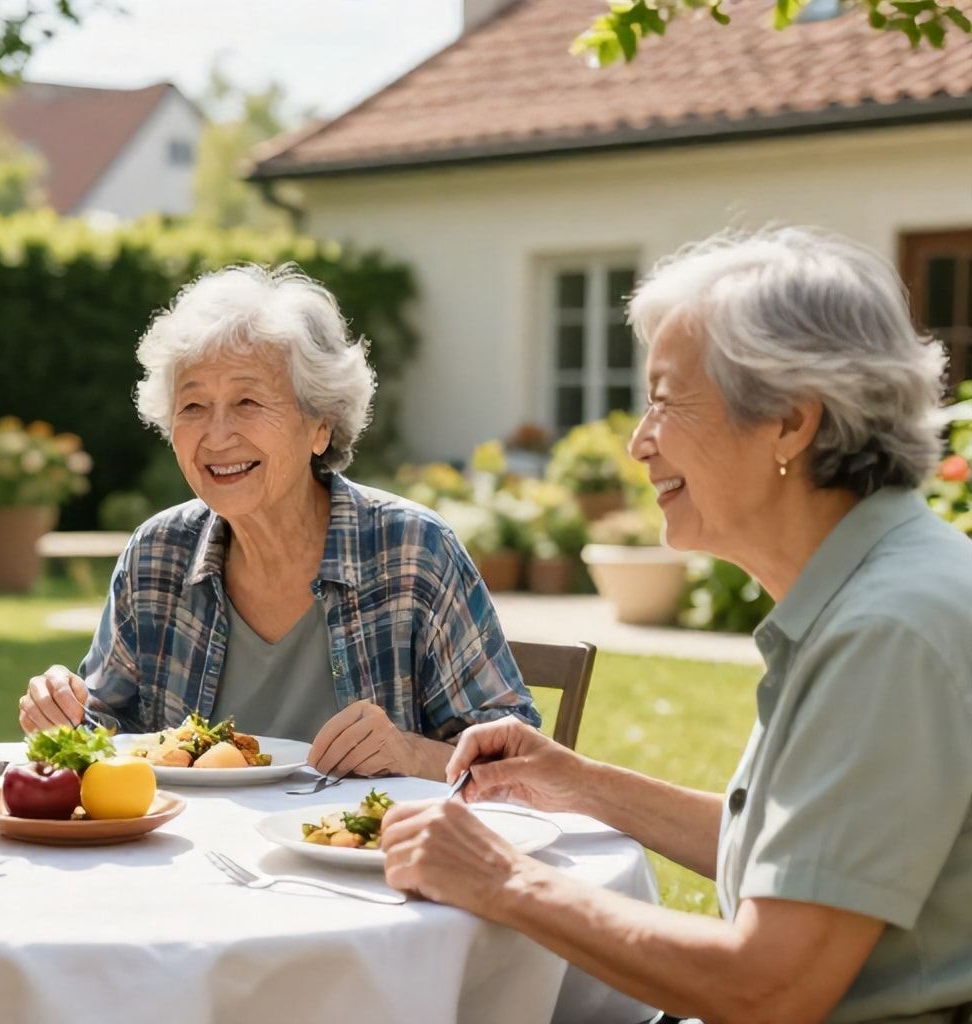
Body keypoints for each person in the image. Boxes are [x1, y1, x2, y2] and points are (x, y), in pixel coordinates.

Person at [380, 227, 972, 1023]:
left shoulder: (887, 629)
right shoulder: (878, 588)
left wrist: (501, 879)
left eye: (663, 400)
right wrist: (580, 784)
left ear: (792, 423)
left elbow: (768, 986)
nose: (637, 442)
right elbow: (797, 859)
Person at [18, 264, 539, 781]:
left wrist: (409, 753)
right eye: (193, 405)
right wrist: (62, 712)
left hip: (364, 855)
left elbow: (520, 767)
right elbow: (105, 734)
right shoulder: (157, 554)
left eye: (247, 401)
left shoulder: (413, 550)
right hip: (196, 856)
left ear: (320, 425)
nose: (217, 436)